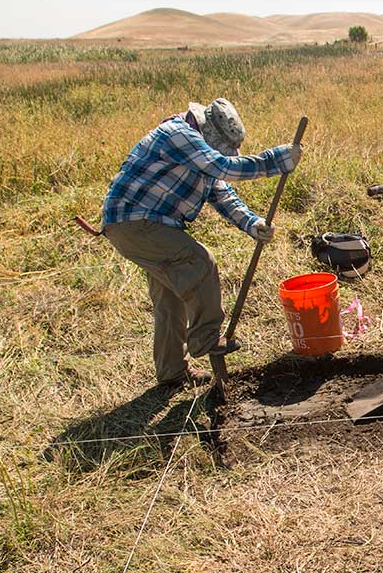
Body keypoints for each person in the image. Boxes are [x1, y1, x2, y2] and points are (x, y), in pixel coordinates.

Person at [99, 99, 302, 390]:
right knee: (200, 262)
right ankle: (206, 339)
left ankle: (172, 372)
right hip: (134, 222)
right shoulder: (178, 133)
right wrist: (276, 160)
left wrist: (251, 223)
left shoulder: (199, 152)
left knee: (170, 299)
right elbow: (223, 167)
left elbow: (222, 194)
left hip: (147, 226)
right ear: (208, 131)